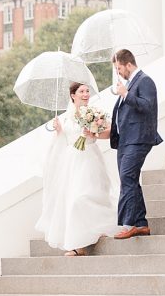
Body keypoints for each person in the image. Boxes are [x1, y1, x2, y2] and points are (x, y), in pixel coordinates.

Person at [36, 81, 120, 256]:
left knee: (86, 197)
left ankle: (92, 232)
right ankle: (78, 245)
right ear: (73, 95)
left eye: (87, 91)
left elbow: (110, 132)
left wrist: (93, 133)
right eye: (82, 91)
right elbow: (63, 142)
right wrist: (59, 131)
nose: (86, 94)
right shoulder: (64, 118)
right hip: (72, 162)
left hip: (90, 159)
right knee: (73, 199)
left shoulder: (94, 113)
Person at [109, 49, 163, 240]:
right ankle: (141, 224)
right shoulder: (131, 83)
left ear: (128, 64)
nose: (119, 72)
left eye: (119, 68)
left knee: (127, 177)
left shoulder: (145, 81)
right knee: (129, 179)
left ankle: (128, 224)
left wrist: (126, 94)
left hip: (139, 138)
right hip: (125, 140)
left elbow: (147, 106)